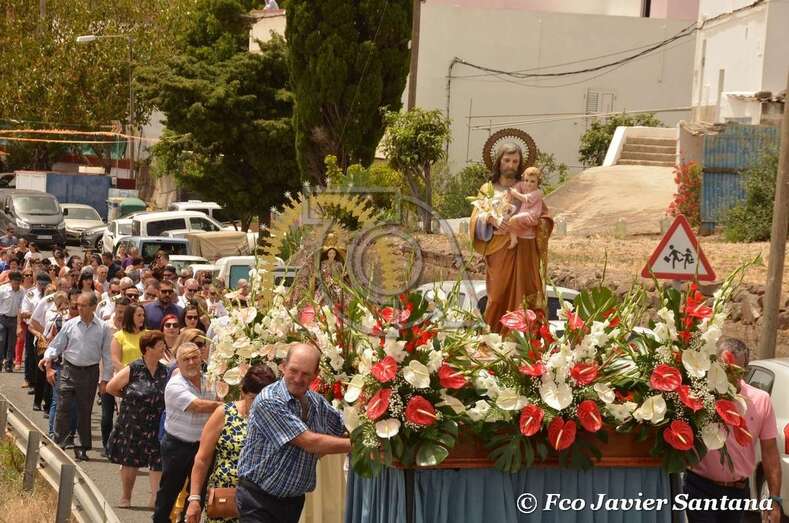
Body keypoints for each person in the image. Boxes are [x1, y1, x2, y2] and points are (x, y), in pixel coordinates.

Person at [235, 343, 350, 523]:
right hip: (257, 499)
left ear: (316, 374)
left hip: (292, 503)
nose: (298, 378)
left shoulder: (316, 402)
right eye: (293, 371)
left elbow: (344, 427)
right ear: (283, 366)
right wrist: (356, 445)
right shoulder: (269, 400)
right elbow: (309, 442)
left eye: (305, 374)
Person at [684, 338, 783, 523]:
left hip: (737, 493)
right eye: (724, 369)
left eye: (735, 371)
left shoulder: (761, 401)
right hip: (700, 488)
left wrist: (774, 501)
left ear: (744, 370)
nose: (729, 376)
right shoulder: (701, 395)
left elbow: (770, 454)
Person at [468, 142, 553, 333]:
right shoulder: (488, 189)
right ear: (499, 162)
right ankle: (490, 341)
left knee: (525, 297)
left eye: (515, 161)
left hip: (524, 250)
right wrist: (491, 219)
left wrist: (535, 223)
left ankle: (524, 345)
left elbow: (544, 215)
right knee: (497, 297)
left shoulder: (526, 188)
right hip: (499, 250)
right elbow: (475, 219)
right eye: (507, 160)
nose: (511, 165)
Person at [185, 365, 276, 523]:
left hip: (263, 501)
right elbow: (202, 459)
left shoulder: (278, 418)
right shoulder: (224, 413)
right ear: (243, 391)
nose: (260, 405)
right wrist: (194, 500)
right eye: (254, 399)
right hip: (225, 500)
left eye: (265, 399)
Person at [152, 342, 220, 523]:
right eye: (185, 359)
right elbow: (198, 406)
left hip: (202, 447)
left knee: (198, 493)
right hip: (177, 445)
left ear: (201, 359)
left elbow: (221, 397)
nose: (191, 362)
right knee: (169, 490)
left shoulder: (210, 381)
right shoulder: (174, 385)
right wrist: (226, 407)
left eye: (194, 357)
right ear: (178, 363)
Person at [43, 291, 114, 461]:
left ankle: (81, 447)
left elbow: (107, 355)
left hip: (90, 372)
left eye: (83, 306)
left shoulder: (103, 328)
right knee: (63, 406)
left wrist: (104, 380)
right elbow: (57, 345)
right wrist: (48, 360)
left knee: (84, 410)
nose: (78, 308)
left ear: (93, 307)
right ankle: (60, 442)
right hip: (68, 369)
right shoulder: (70, 324)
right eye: (78, 305)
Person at [106, 330, 169, 509]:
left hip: (157, 422)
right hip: (133, 421)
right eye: (159, 345)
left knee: (157, 460)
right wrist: (128, 397)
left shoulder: (166, 371)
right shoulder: (133, 369)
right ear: (148, 349)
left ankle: (155, 499)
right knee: (130, 459)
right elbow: (111, 388)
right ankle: (126, 496)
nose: (163, 347)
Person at [20, 272, 50, 390]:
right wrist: (37, 315)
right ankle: (29, 379)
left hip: (47, 330)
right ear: (36, 282)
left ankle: (40, 384)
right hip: (33, 329)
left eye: (45, 284)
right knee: (30, 356)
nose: (42, 286)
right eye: (40, 283)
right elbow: (24, 313)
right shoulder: (31, 294)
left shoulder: (51, 294)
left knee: (43, 356)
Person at [504, 166, 544, 249]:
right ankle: (513, 238)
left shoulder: (538, 193)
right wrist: (511, 192)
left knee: (513, 219)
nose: (528, 183)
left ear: (538, 182)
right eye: (526, 180)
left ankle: (513, 239)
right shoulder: (526, 187)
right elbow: (519, 185)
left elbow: (525, 199)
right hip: (524, 214)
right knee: (508, 218)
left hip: (531, 217)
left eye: (532, 181)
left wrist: (515, 193)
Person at [111, 303, 146, 372]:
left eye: (143, 315)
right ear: (130, 317)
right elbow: (115, 361)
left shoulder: (148, 335)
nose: (142, 318)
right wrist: (129, 375)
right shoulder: (118, 337)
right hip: (126, 377)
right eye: (139, 315)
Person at [0, 271, 24, 372]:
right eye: (15, 282)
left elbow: (20, 308)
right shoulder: (3, 290)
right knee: (1, 341)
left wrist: (19, 325)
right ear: (11, 281)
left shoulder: (22, 292)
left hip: (14, 319)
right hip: (2, 318)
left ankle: (9, 364)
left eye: (19, 282)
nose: (17, 284)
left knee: (11, 343)